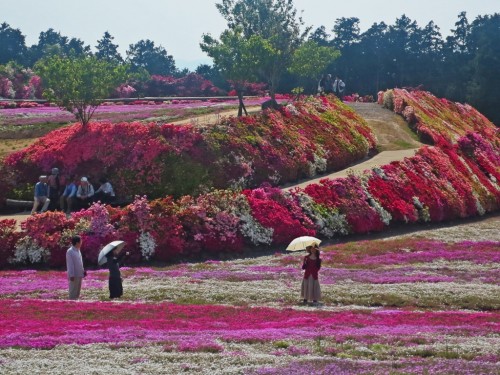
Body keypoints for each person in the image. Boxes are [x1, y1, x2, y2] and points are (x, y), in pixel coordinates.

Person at [66, 235, 86, 300]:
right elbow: (70, 264)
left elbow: (80, 262)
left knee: (77, 291)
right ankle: (71, 303)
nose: (81, 243)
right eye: (80, 241)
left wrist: (83, 271)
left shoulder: (78, 250)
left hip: (79, 273)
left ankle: (76, 304)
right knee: (73, 291)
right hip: (74, 275)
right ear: (77, 242)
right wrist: (71, 275)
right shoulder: (70, 251)